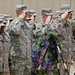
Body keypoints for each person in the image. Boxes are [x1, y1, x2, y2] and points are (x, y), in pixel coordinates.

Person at [7, 5, 31, 75]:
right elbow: (16, 31)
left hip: (27, 59)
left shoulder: (27, 24)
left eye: (26, 13)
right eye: (23, 13)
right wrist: (19, 19)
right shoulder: (14, 23)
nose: (26, 15)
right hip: (18, 60)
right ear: (18, 13)